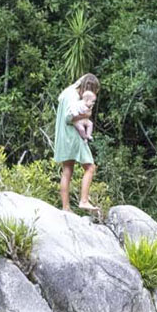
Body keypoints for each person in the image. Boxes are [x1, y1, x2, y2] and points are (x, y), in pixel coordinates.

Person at [54, 74, 99, 214]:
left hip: (63, 136)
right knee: (90, 167)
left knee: (67, 170)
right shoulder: (74, 96)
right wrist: (85, 116)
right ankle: (84, 200)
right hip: (73, 135)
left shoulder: (67, 92)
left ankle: (66, 208)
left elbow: (61, 97)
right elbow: (69, 117)